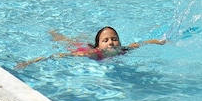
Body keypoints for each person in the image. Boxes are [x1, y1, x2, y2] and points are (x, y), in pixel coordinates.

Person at [16, 26, 166, 69]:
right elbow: (61, 56)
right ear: (98, 46)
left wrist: (160, 42)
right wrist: (31, 62)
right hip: (81, 49)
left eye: (114, 39)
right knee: (67, 42)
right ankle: (54, 33)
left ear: (120, 43)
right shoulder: (93, 54)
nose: (111, 42)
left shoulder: (123, 50)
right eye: (105, 40)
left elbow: (143, 43)